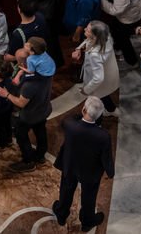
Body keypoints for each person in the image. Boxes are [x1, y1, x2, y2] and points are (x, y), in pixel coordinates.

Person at [51, 96, 114, 231]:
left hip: (70, 166)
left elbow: (71, 119)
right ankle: (87, 221)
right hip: (90, 171)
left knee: (66, 190)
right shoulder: (103, 135)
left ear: (83, 109)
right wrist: (110, 172)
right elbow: (106, 157)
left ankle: (61, 214)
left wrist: (85, 112)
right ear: (99, 116)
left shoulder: (70, 125)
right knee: (89, 197)